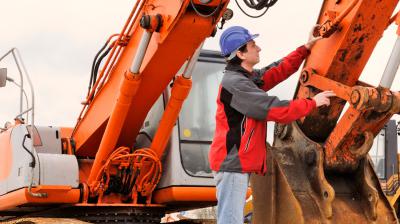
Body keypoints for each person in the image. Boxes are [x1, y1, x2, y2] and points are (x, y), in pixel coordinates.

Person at [208, 25, 336, 224]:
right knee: (230, 221)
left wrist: (306, 48)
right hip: (233, 165)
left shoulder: (247, 80)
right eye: (253, 45)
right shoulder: (236, 84)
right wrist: (312, 103)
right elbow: (273, 109)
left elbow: (277, 70)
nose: (258, 48)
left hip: (236, 164)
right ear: (240, 53)